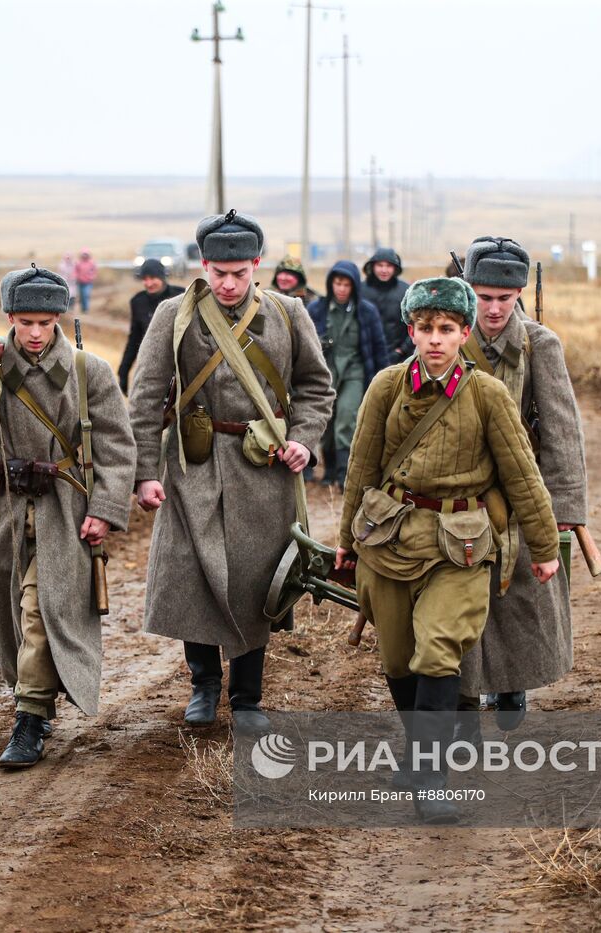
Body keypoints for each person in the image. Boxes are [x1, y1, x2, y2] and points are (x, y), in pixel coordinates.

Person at [334, 276, 560, 824]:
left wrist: (545, 543)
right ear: (411, 331)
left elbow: (522, 474)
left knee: (438, 651)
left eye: (446, 329)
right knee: (396, 658)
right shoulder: (387, 386)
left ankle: (431, 779)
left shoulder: (487, 393)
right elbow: (361, 468)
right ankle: (419, 753)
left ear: (463, 333)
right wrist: (345, 542)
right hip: (387, 539)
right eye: (425, 328)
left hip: (459, 543)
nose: (434, 339)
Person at [127, 210, 334, 733]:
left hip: (262, 467)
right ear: (203, 264)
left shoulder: (289, 313)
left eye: (239, 272)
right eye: (219, 272)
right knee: (192, 574)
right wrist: (144, 471)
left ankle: (247, 698)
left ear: (256, 265)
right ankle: (203, 685)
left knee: (255, 581)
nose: (228, 282)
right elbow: (146, 395)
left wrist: (304, 442)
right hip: (192, 462)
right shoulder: (173, 313)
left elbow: (316, 386)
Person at [0, 266, 137, 767]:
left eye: (45, 322)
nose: (35, 332)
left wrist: (106, 511)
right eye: (25, 321)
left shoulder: (91, 373)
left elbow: (117, 448)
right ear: (10, 318)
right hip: (0, 510)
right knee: (7, 613)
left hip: (63, 509)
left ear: (58, 319)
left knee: (43, 608)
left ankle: (29, 717)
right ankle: (30, 694)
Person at [455, 237, 588, 723]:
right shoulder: (450, 334)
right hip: (461, 491)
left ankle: (513, 687)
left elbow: (561, 429)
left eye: (504, 299)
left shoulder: (540, 344)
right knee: (465, 590)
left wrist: (566, 509)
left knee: (520, 594)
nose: (493, 309)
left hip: (521, 489)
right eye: (484, 297)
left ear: (518, 295)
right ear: (468, 288)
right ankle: (473, 688)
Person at [307, 261, 389, 489]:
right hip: (326, 373)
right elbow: (303, 346)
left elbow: (378, 347)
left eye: (346, 284)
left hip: (354, 372)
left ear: (353, 286)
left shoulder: (366, 312)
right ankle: (330, 470)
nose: (341, 289)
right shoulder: (317, 310)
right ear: (330, 283)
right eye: (337, 283)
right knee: (327, 423)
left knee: (346, 419)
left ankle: (344, 474)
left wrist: (383, 381)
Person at [118, 258, 186, 395]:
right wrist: (123, 370)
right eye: (145, 279)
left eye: (153, 278)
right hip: (151, 366)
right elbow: (134, 339)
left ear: (162, 277)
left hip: (180, 367)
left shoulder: (181, 296)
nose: (148, 283)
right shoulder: (138, 302)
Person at [360, 247, 414, 363]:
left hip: (398, 357)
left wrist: (402, 350)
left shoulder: (405, 291)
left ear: (395, 268)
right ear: (373, 266)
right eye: (380, 265)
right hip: (366, 357)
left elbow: (415, 322)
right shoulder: (361, 290)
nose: (384, 270)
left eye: (389, 266)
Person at [74, 249, 98, 313]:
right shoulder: (78, 263)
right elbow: (75, 271)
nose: (85, 256)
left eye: (86, 254)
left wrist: (92, 277)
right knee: (82, 296)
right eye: (83, 254)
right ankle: (83, 308)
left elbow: (95, 271)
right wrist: (77, 277)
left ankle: (86, 309)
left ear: (88, 255)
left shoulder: (92, 263)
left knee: (86, 294)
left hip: (88, 282)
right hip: (80, 282)